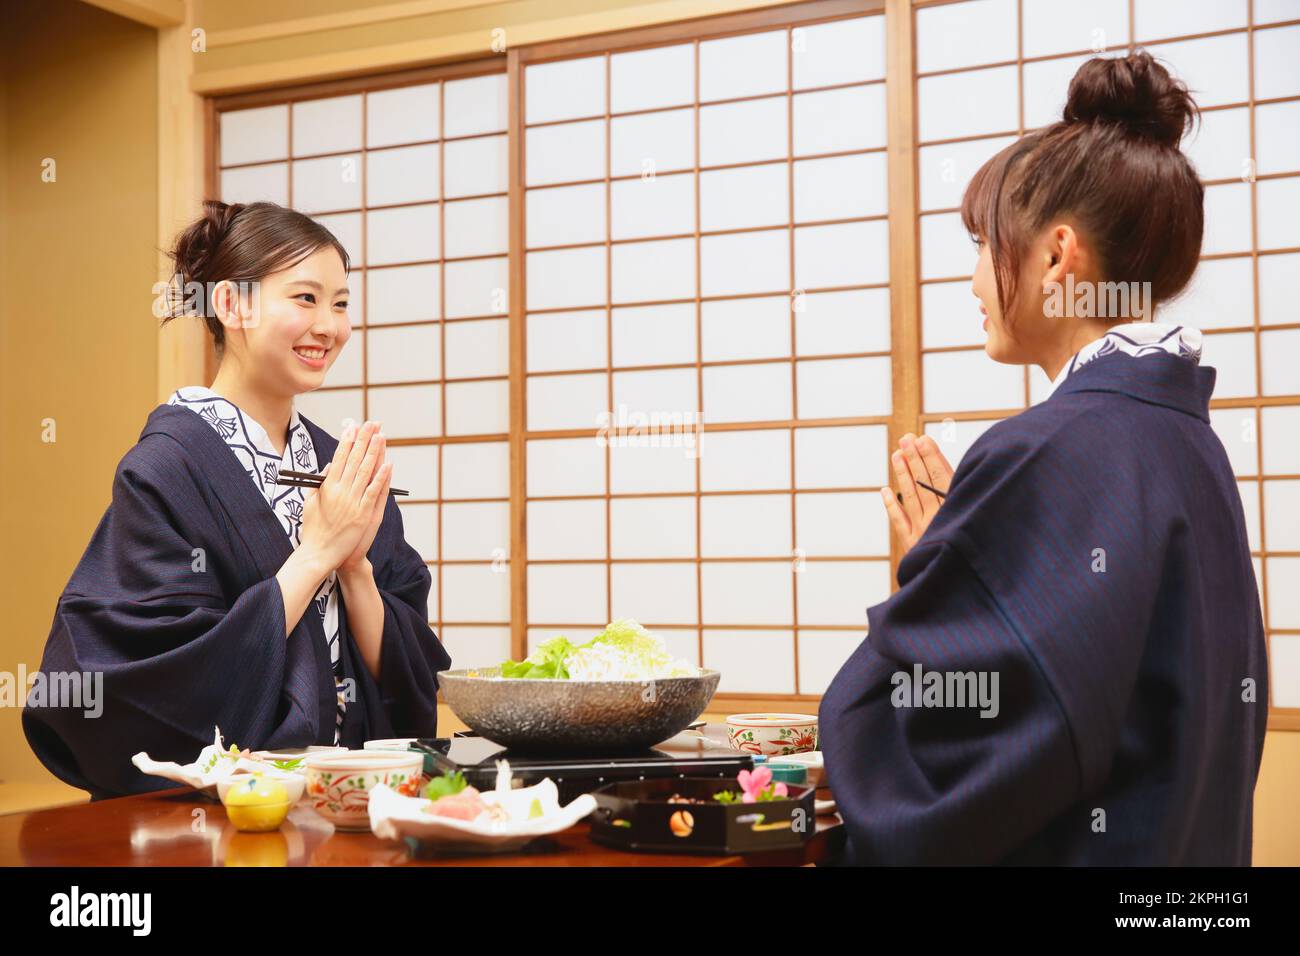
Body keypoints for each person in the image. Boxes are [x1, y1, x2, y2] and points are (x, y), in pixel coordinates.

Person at [819, 52, 1268, 864]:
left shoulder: (1047, 448)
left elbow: (966, 768)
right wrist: (961, 584)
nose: (973, 284)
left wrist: (925, 585)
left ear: (1058, 258)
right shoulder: (1186, 439)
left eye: (988, 243)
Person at [23, 200, 450, 798]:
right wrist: (314, 555)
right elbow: (150, 677)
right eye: (305, 298)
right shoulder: (168, 465)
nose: (329, 326)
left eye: (341, 303)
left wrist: (354, 570)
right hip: (231, 811)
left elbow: (405, 681)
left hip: (352, 799)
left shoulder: (338, 465)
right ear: (230, 305)